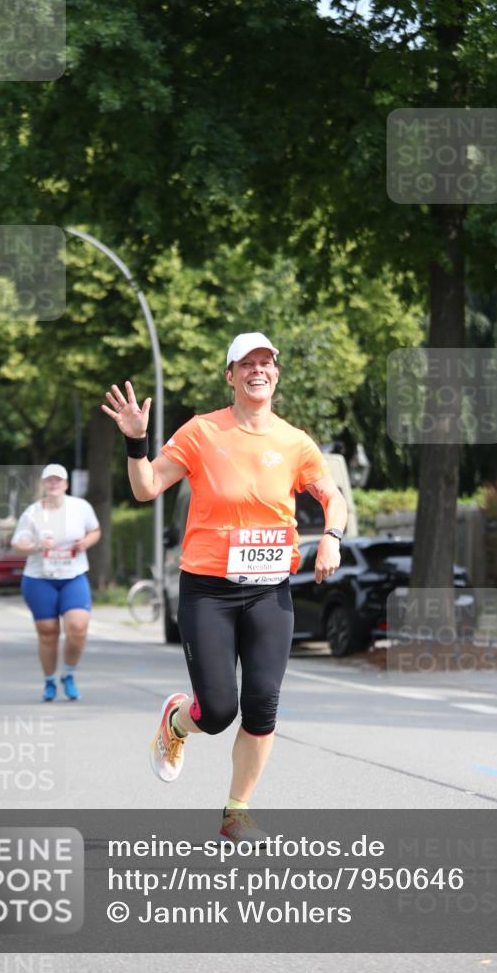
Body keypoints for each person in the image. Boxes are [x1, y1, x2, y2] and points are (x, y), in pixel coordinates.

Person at [102, 332, 347, 843]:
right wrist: (135, 442)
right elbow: (146, 487)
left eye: (267, 363)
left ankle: (236, 812)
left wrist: (331, 537)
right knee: (216, 712)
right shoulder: (200, 431)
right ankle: (176, 721)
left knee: (263, 704)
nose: (259, 370)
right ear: (230, 375)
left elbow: (334, 497)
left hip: (269, 591)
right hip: (208, 590)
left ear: (276, 374)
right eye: (247, 364)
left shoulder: (295, 441)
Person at [11, 464, 101, 702]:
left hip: (73, 576)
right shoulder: (32, 513)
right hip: (40, 579)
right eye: (49, 480)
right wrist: (37, 546)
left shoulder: (81, 508)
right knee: (48, 632)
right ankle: (50, 680)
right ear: (43, 484)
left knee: (78, 627)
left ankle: (68, 673)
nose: (54, 484)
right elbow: (17, 544)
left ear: (66, 484)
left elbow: (95, 531)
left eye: (58, 480)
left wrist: (85, 543)